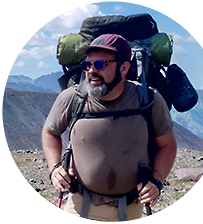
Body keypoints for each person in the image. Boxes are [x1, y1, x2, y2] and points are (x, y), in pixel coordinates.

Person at [42, 34, 177, 221]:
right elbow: (50, 132)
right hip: (81, 207)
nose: (91, 71)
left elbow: (168, 145)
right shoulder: (72, 98)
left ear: (124, 67)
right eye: (87, 65)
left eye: (100, 65)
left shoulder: (149, 100)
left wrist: (156, 182)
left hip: (132, 207)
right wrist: (55, 167)